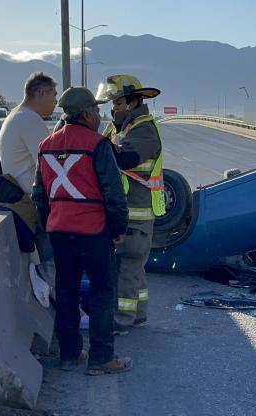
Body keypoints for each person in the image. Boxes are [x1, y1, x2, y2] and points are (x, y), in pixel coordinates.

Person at [32, 87, 131, 375]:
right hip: (92, 230)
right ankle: (101, 358)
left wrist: (51, 222)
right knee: (102, 292)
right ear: (86, 114)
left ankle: (70, 354)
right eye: (97, 111)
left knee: (66, 291)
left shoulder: (46, 145)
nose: (100, 116)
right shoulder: (97, 144)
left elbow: (39, 194)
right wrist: (118, 228)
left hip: (59, 231)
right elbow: (114, 193)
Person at [96, 74, 164, 335]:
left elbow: (125, 159)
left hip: (136, 213)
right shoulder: (120, 128)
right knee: (134, 268)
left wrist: (97, 146)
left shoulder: (143, 129)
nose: (113, 108)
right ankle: (138, 313)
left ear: (133, 102)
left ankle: (122, 319)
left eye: (117, 103)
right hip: (125, 211)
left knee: (128, 267)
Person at [0, 72, 57, 265]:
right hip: (33, 204)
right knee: (52, 266)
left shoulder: (17, 115)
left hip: (22, 200)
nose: (55, 101)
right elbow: (51, 167)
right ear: (40, 93)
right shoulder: (29, 119)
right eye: (53, 95)